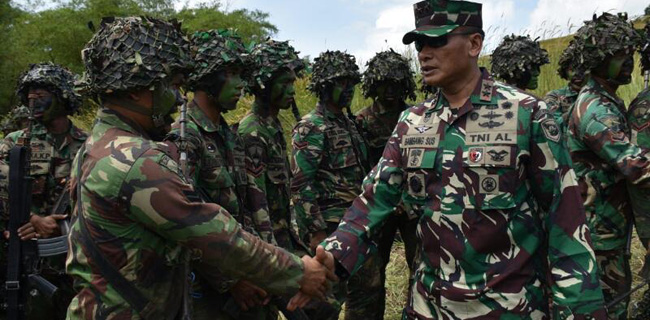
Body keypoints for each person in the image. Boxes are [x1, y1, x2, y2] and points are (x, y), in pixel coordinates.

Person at [306, 1, 606, 318]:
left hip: (508, 308)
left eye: (437, 41)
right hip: (429, 308)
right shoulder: (412, 122)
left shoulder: (527, 114)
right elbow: (374, 199)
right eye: (419, 43)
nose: (423, 53)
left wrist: (580, 309)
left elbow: (566, 219)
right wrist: (333, 254)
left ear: (474, 44)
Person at [66, 16, 334, 319]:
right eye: (173, 85)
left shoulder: (99, 146)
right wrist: (299, 272)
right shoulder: (135, 161)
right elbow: (216, 234)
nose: (179, 97)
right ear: (135, 89)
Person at [165, 29, 279, 319]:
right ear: (208, 77)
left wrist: (270, 259)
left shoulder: (228, 133)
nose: (242, 84)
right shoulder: (184, 137)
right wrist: (231, 282)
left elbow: (250, 201)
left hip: (248, 266)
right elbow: (183, 224)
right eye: (233, 74)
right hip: (211, 291)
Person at [565, 12, 649, 319]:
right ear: (597, 60)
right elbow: (635, 166)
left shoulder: (605, 99)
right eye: (617, 54)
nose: (628, 60)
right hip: (598, 234)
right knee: (608, 308)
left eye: (630, 52)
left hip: (607, 227)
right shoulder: (597, 109)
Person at [0, 62, 85, 320]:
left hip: (74, 257)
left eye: (41, 93)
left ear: (62, 97)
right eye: (30, 94)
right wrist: (32, 220)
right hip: (25, 252)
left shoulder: (87, 144)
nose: (32, 99)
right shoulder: (15, 143)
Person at [290, 50, 371, 319]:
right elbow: (301, 183)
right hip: (330, 227)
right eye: (341, 83)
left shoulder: (349, 124)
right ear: (325, 87)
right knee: (325, 301)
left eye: (351, 83)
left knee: (364, 294)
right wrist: (315, 232)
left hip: (356, 225)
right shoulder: (312, 126)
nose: (348, 90)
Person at [354, 49, 419, 318]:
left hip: (411, 205)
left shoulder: (416, 118)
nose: (390, 90)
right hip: (378, 206)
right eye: (384, 84)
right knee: (372, 273)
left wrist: (405, 201)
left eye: (396, 83)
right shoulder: (361, 120)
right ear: (373, 85)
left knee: (420, 266)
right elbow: (361, 167)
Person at [544, 40, 586, 132]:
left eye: (582, 69)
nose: (577, 73)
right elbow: (552, 127)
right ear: (565, 72)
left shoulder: (601, 95)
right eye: (572, 69)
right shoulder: (554, 96)